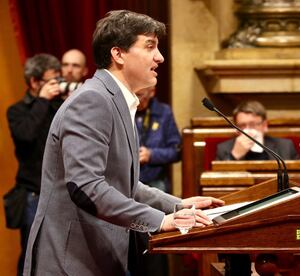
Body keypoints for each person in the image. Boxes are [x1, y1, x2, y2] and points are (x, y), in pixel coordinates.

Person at [23, 10, 224, 276]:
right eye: (150, 46)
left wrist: (178, 205)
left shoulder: (116, 100)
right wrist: (159, 221)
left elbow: (123, 183)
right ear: (118, 54)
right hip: (70, 262)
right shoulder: (93, 100)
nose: (160, 57)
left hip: (91, 258)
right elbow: (86, 186)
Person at [6, 53, 62, 276]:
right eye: (51, 81)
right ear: (34, 82)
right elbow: (26, 135)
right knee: (32, 253)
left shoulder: (59, 106)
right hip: (33, 195)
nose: (57, 85)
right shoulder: (17, 111)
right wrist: (42, 100)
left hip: (60, 192)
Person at [134, 85, 181, 275]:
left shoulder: (164, 112)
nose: (139, 101)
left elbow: (176, 151)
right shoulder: (125, 108)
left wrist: (151, 155)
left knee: (155, 241)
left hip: (156, 184)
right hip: (131, 185)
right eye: (136, 96)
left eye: (143, 96)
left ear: (153, 92)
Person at [216, 100, 299, 161]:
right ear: (236, 129)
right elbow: (217, 181)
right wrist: (234, 155)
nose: (247, 130)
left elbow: (296, 179)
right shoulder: (224, 148)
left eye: (253, 124)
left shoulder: (285, 146)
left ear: (264, 125)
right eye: (242, 126)